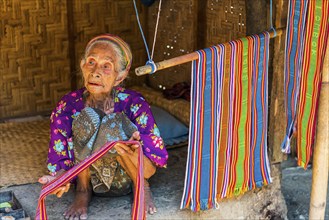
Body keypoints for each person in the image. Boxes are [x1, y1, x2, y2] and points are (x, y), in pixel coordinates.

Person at [38, 34, 168, 219]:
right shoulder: (67, 105)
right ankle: (83, 192)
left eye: (106, 66)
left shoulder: (134, 103)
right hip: (91, 180)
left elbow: (150, 167)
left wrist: (133, 150)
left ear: (120, 76)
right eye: (91, 62)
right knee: (86, 117)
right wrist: (59, 179)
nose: (95, 71)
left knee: (112, 123)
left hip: (128, 178)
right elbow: (60, 158)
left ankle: (142, 189)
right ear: (82, 65)